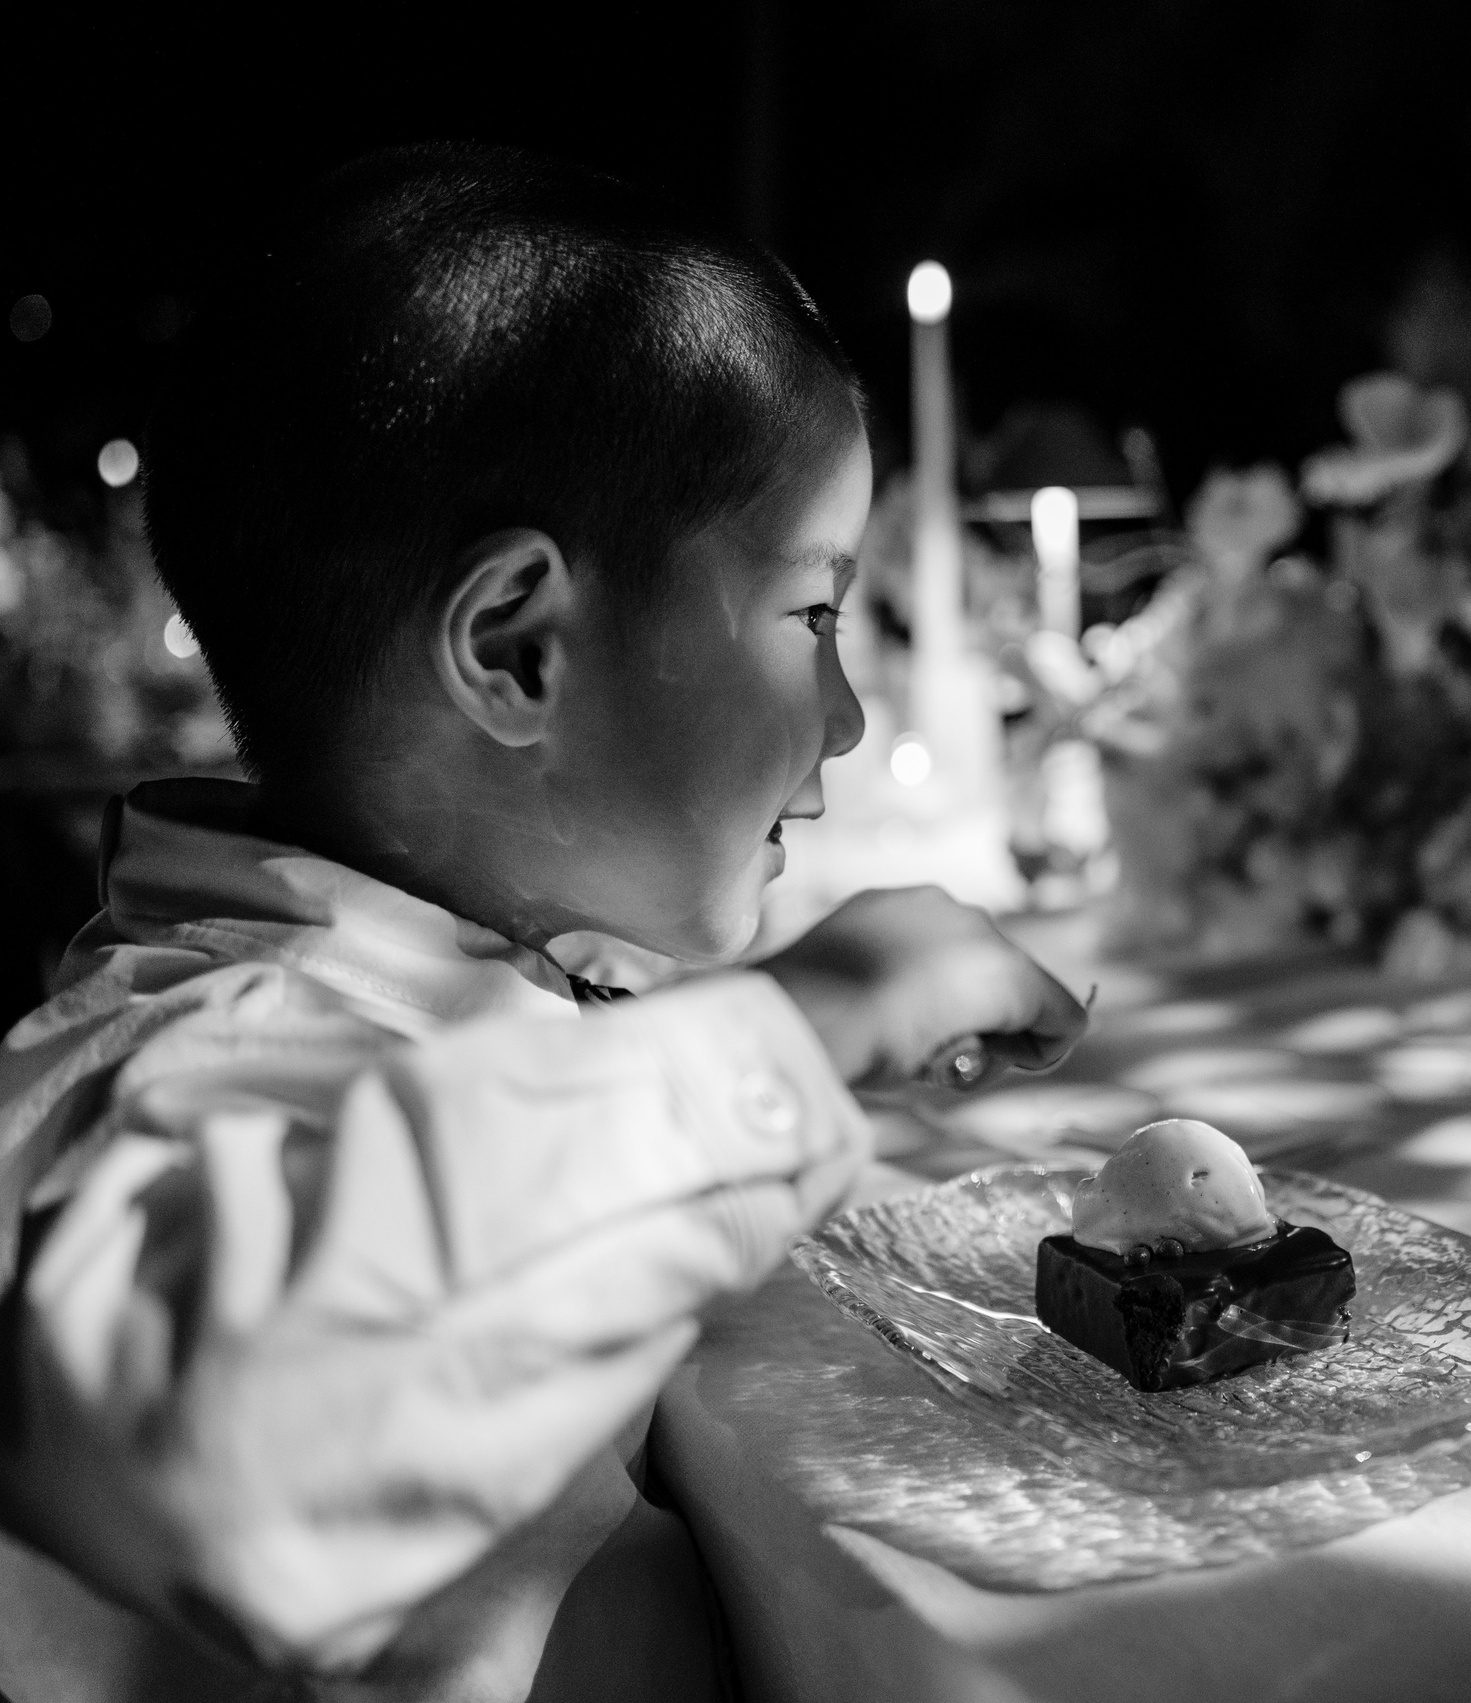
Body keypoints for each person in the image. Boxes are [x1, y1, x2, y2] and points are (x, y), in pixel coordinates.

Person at [0, 145, 1088, 1702]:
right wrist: (797, 1029)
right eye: (812, 612)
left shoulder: (424, 978)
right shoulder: (204, 1055)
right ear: (515, 647)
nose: (845, 718)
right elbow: (199, 1437)